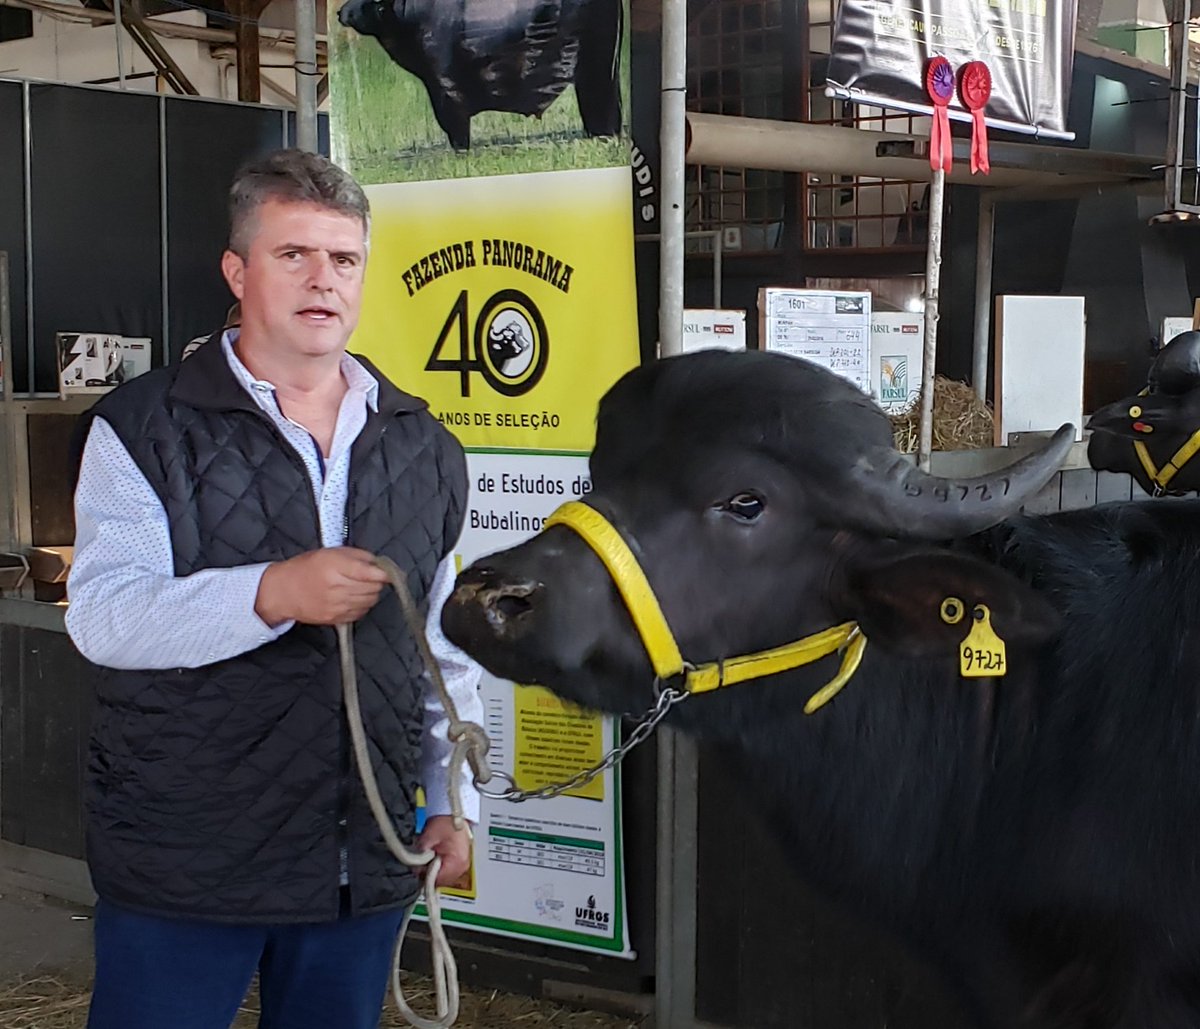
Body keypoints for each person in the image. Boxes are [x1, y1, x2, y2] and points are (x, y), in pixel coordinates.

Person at [66, 148, 483, 1029]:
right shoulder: (143, 429)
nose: (322, 279)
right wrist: (271, 593)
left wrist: (450, 801)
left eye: (343, 258)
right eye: (292, 254)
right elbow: (106, 617)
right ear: (237, 269)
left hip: (359, 860)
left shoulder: (425, 447)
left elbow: (440, 651)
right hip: (187, 860)